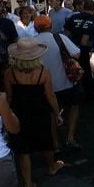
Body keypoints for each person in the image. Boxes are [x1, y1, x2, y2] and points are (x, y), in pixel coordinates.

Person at [4, 38, 64, 187]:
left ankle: (28, 185)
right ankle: (51, 167)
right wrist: (57, 113)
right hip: (40, 111)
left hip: (19, 111)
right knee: (46, 140)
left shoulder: (9, 73)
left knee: (23, 149)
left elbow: (9, 97)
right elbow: (50, 95)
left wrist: (6, 114)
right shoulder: (43, 72)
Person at [33, 15, 82, 151]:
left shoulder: (31, 42)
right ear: (50, 26)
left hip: (42, 85)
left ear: (35, 28)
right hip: (65, 81)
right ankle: (70, 138)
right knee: (73, 107)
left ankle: (55, 143)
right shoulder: (59, 38)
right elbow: (76, 53)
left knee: (51, 113)